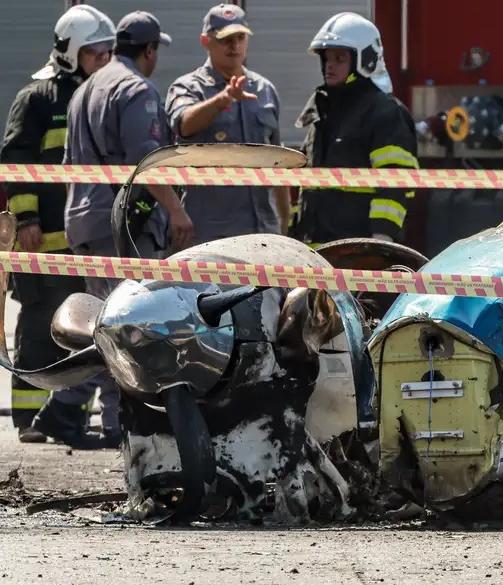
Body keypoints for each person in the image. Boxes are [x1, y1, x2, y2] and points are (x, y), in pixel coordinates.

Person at [57, 11, 194, 446]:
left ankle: (75, 411)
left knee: (104, 323)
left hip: (83, 218)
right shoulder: (136, 89)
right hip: (121, 226)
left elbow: (66, 165)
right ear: (149, 50)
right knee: (132, 327)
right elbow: (145, 160)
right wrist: (175, 210)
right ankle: (113, 421)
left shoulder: (84, 89)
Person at [0, 5, 116, 446]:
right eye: (93, 53)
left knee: (82, 329)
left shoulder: (99, 97)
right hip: (40, 240)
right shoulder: (37, 98)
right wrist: (26, 217)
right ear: (69, 52)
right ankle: (29, 418)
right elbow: (14, 162)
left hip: (81, 243)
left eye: (106, 52)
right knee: (37, 327)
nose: (101, 61)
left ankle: (68, 415)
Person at [165, 4, 290, 246]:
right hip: (210, 236)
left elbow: (279, 162)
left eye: (240, 37)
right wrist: (223, 99)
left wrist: (284, 224)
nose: (234, 46)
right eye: (225, 39)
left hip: (262, 231)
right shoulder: (188, 87)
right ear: (205, 41)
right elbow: (183, 124)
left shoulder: (265, 90)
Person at [294, 12, 418, 247]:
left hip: (359, 250)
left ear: (365, 60)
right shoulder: (322, 111)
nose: (329, 66)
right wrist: (295, 232)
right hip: (314, 248)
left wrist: (382, 238)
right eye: (327, 58)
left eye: (339, 58)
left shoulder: (385, 113)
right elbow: (306, 182)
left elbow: (396, 181)